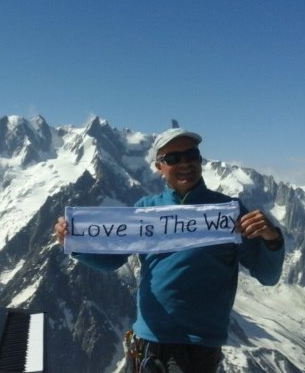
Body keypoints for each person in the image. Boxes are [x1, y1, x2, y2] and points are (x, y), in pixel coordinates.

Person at [54, 128, 285, 373]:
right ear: (159, 167)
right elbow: (113, 260)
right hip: (147, 340)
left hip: (196, 348)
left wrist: (271, 239)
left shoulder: (229, 211)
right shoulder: (146, 209)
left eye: (191, 155)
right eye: (173, 158)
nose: (184, 163)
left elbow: (268, 276)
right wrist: (75, 243)